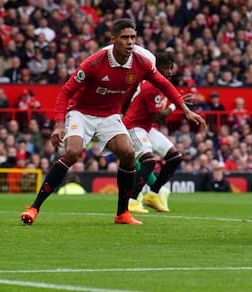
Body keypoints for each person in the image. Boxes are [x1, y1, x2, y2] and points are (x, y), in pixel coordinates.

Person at [20, 19, 206, 226]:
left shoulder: (141, 63)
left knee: (128, 154)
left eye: (133, 38)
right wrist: (58, 124)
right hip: (81, 113)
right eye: (125, 37)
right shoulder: (94, 63)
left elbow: (164, 84)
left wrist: (185, 110)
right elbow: (65, 92)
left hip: (109, 116)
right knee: (72, 153)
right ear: (113, 40)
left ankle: (122, 213)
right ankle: (34, 208)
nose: (130, 42)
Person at [123, 50, 186, 214]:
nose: (170, 72)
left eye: (171, 67)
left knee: (175, 157)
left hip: (146, 127)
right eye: (166, 68)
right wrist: (174, 106)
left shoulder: (159, 84)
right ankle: (131, 200)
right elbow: (157, 117)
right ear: (156, 68)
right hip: (133, 126)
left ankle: (153, 194)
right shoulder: (151, 86)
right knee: (148, 161)